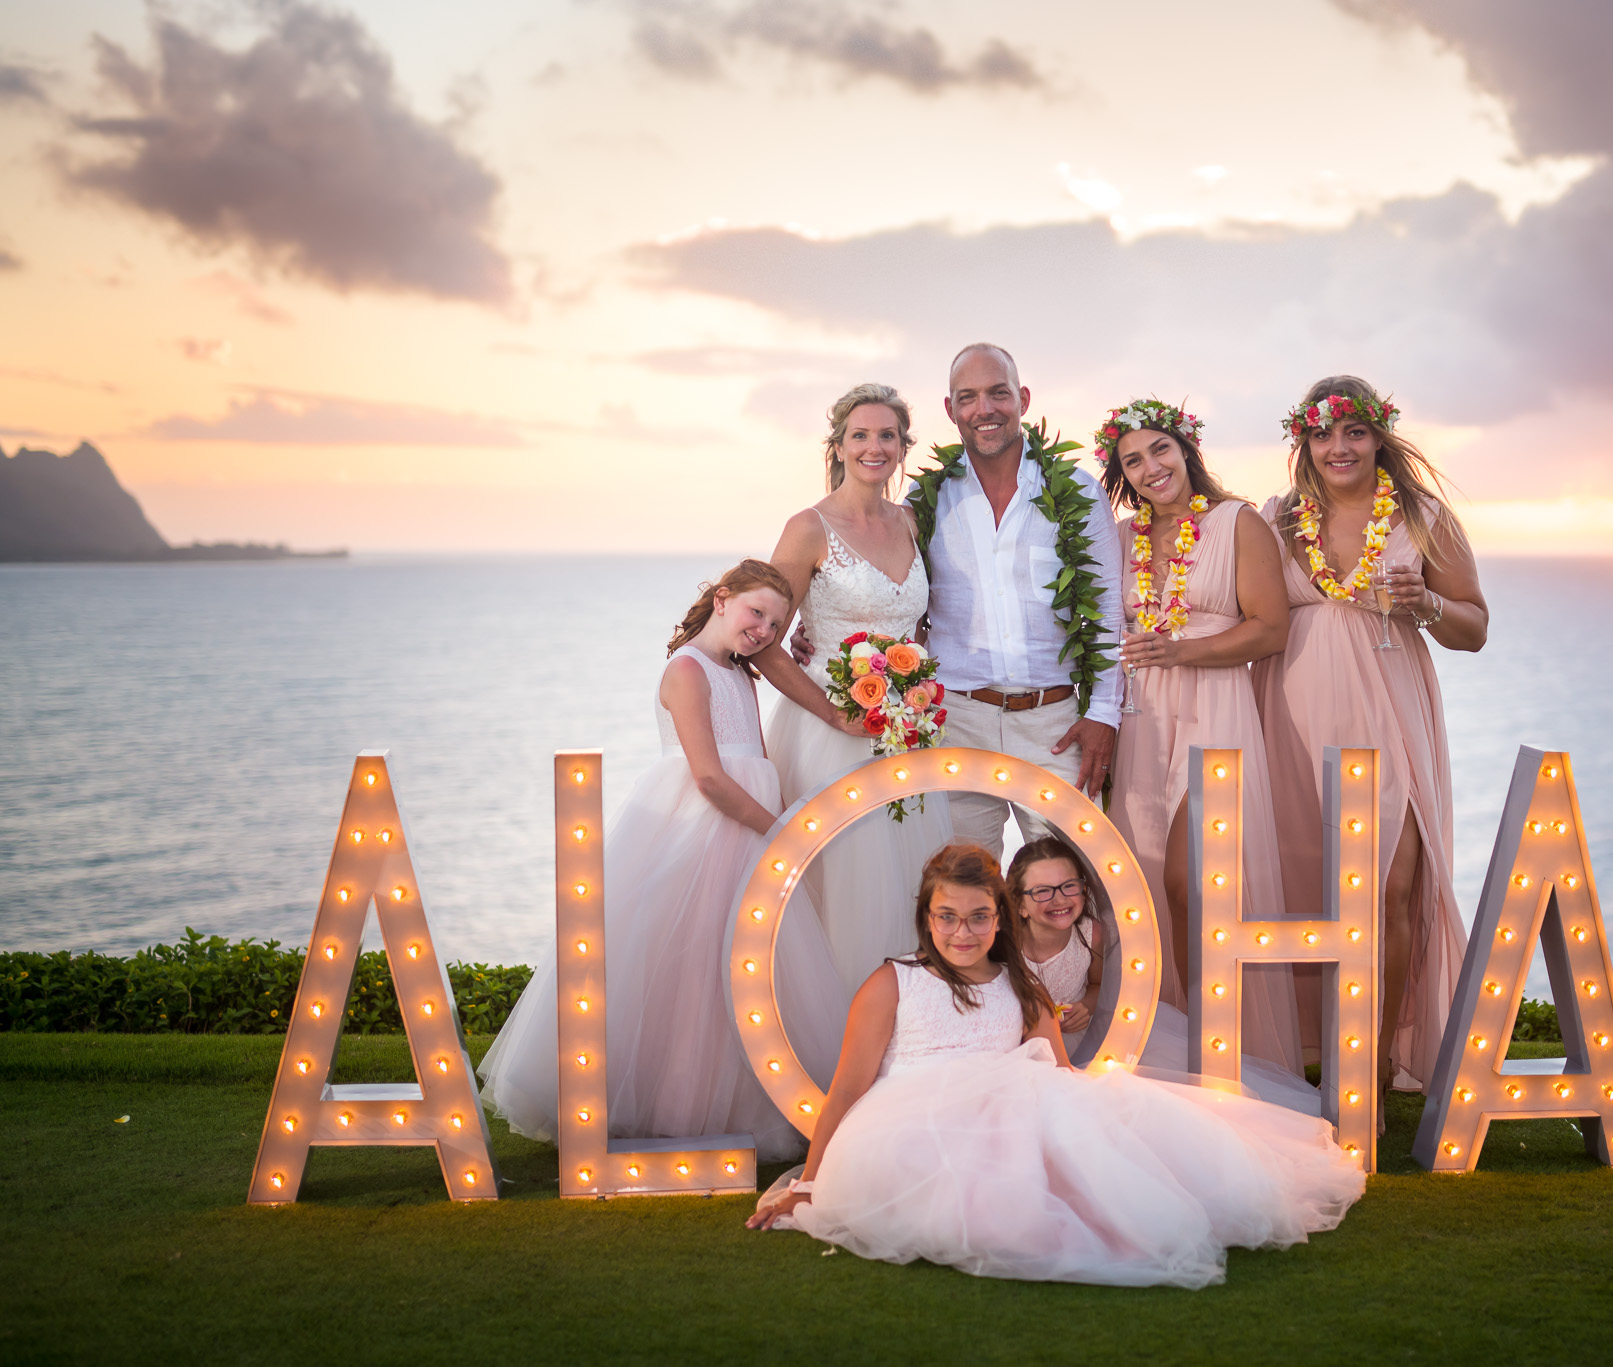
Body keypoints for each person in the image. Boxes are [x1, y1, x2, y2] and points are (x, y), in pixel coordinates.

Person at [745, 844, 1362, 1289]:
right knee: (983, 1213)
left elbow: (1061, 1079)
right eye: (947, 917)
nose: (963, 932)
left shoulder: (1022, 986)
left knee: (1098, 1176)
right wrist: (807, 1185)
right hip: (910, 1124)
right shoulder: (893, 983)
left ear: (1001, 917)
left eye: (979, 917)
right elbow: (849, 1087)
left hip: (1009, 1112)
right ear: (925, 918)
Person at [477, 561, 849, 1162]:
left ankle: (740, 1103)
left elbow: (752, 759)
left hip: (747, 829)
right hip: (703, 831)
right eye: (757, 613)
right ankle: (669, 1107)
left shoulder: (741, 674)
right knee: (688, 966)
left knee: (739, 972)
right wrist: (780, 831)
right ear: (722, 600)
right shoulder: (687, 672)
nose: (764, 630)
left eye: (777, 624)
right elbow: (707, 777)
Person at [1254, 377, 1487, 1093]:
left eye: (1353, 431)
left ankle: (1376, 1068)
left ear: (1379, 436)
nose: (1338, 447)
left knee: (1390, 887)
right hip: (1290, 718)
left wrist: (1429, 602)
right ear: (1305, 442)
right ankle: (1301, 1053)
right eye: (1323, 434)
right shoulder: (1278, 519)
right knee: (1301, 889)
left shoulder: (1421, 517)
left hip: (1388, 715)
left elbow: (1474, 629)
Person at [1097, 401, 1293, 1052]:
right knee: (1143, 883)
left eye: (1160, 449)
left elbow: (1270, 629)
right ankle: (1163, 1036)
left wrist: (1179, 650)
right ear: (1122, 474)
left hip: (1216, 707)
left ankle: (1214, 1041)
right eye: (1133, 460)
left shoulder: (1237, 524)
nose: (1151, 467)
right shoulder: (1121, 538)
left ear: (1186, 449)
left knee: (1193, 881)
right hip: (1143, 716)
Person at [758, 383, 956, 994]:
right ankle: (834, 1036)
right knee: (845, 887)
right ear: (839, 446)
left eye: (887, 436)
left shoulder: (910, 521)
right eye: (861, 436)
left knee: (912, 882)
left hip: (907, 729)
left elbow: (916, 621)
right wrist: (832, 712)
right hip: (830, 733)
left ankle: (913, 1029)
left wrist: (913, 677)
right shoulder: (808, 528)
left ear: (903, 447)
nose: (875, 447)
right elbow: (764, 640)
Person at [907, 343, 1126, 850]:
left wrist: (1103, 715)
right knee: (962, 891)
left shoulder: (1077, 490)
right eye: (968, 397)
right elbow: (892, 593)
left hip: (1055, 724)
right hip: (956, 722)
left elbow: (1109, 611)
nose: (984, 410)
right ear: (950, 410)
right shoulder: (924, 501)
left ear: (1022, 399)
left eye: (998, 393)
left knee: (1072, 883)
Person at [1005, 836, 1104, 1046]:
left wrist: (1085, 1006)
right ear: (1019, 905)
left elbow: (1098, 984)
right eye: (1042, 891)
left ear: (1084, 891)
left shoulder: (1091, 934)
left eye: (1068, 886)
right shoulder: (1005, 943)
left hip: (1074, 1039)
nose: (1059, 899)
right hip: (1019, 1040)